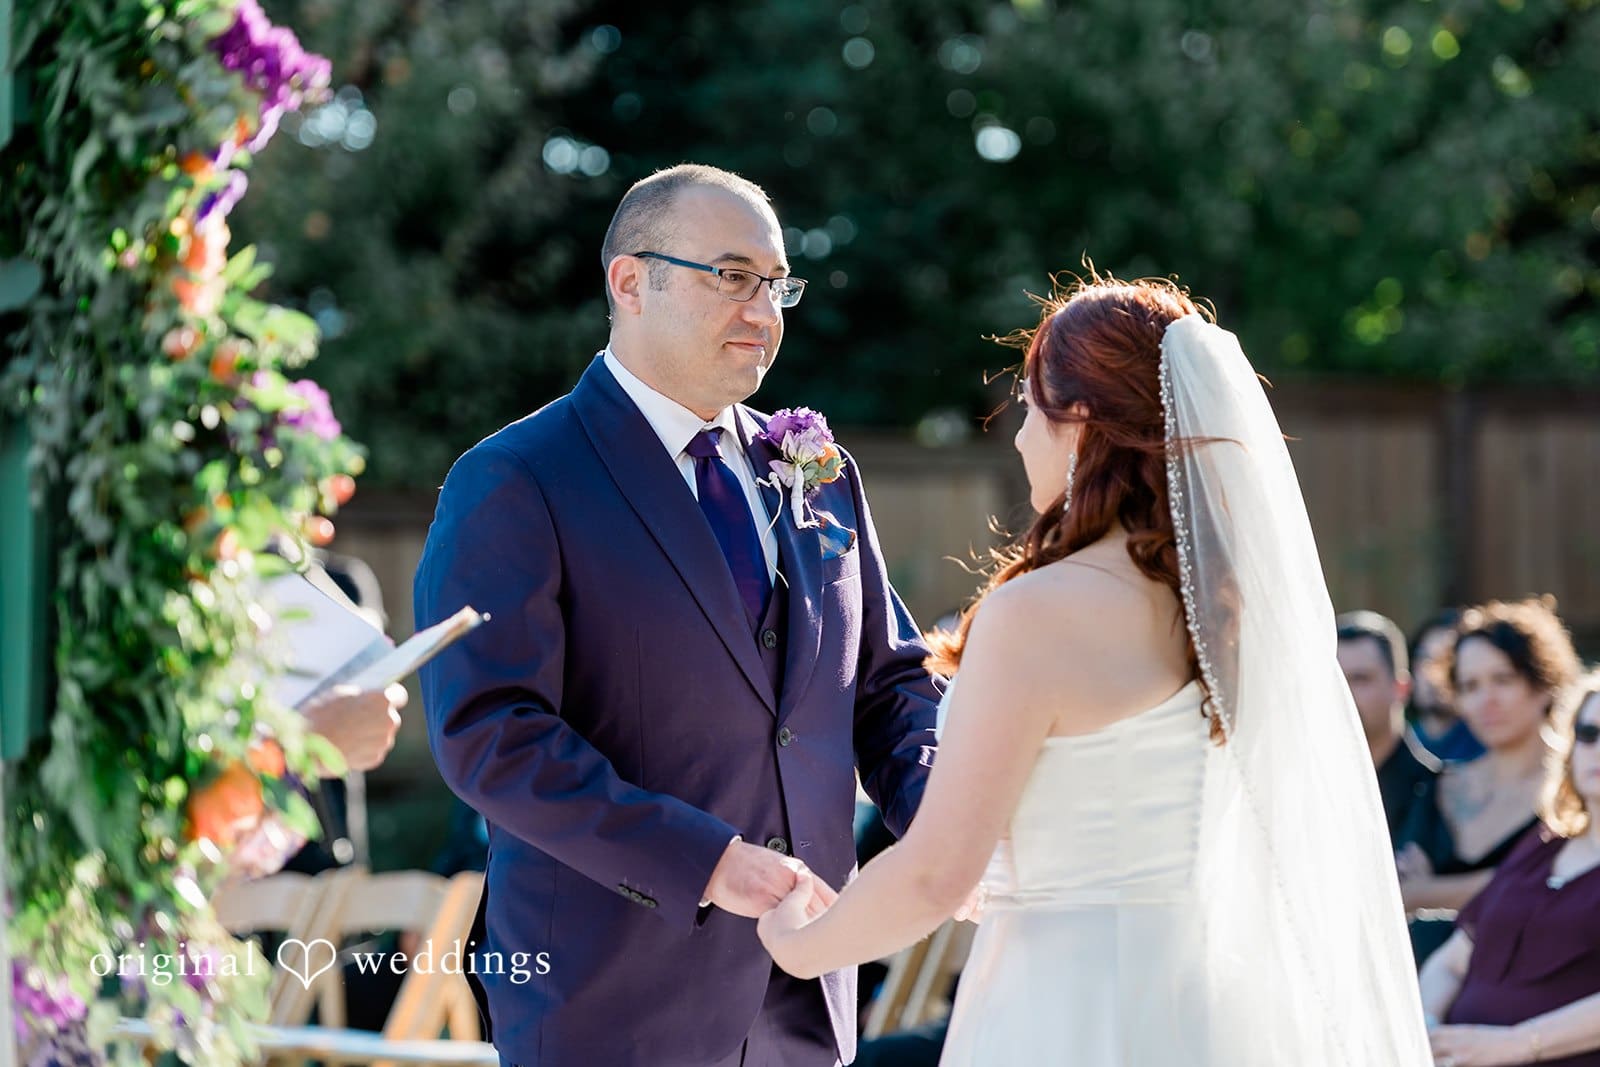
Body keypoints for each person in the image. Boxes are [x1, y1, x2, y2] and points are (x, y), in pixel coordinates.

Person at [758, 274, 1431, 1064]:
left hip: (1062, 1004)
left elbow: (937, 874)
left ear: (1078, 423)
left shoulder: (1036, 611)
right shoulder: (1223, 610)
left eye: (1029, 411)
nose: (1016, 438)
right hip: (1199, 996)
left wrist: (799, 946)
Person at [414, 163, 943, 1067]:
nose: (764, 312)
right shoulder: (518, 478)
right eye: (731, 276)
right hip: (610, 1002)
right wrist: (702, 858)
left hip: (806, 999)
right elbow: (490, 731)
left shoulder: (820, 471)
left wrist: (944, 820)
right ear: (630, 281)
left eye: (776, 284)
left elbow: (888, 684)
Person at [1421, 670, 1600, 1066]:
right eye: (1588, 734)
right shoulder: (1540, 847)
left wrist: (1516, 1044)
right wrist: (1427, 1030)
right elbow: (1451, 962)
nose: (1597, 749)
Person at [1397, 598, 1583, 961]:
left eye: (1503, 679)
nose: (1486, 700)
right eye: (1470, 686)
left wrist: (1426, 891)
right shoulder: (1435, 787)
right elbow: (1395, 890)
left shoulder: (1578, 788)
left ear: (1544, 683)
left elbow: (1553, 889)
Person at [1337, 609, 1440, 842]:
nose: (1345, 694)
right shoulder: (1309, 785)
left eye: (1360, 679)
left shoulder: (1438, 796)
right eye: (1338, 681)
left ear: (1401, 689)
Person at [1410, 609, 1486, 762]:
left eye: (1443, 660)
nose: (1430, 673)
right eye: (1424, 658)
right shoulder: (1399, 744)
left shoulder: (1488, 745)